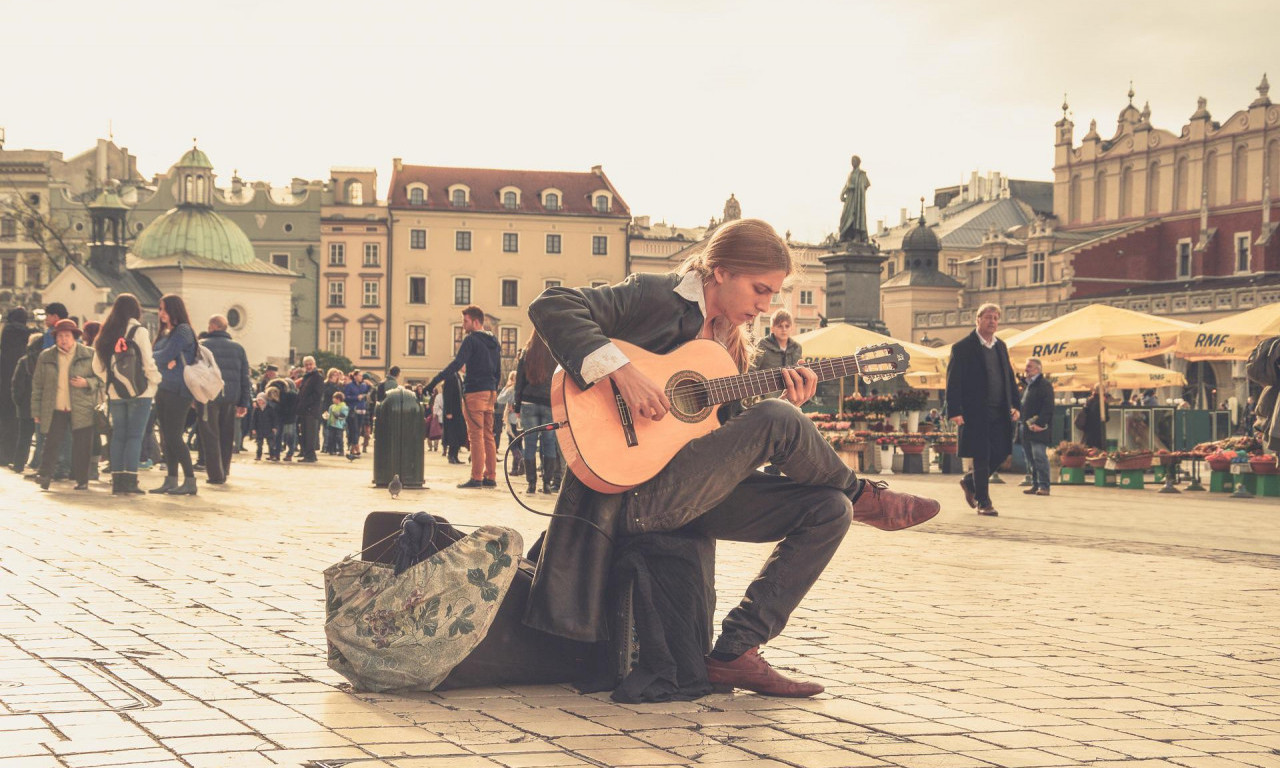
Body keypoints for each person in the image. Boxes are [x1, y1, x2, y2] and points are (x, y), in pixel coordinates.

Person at [527, 218, 940, 697]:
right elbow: (552, 305)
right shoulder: (655, 296)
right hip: (632, 495)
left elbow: (722, 439)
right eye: (760, 289)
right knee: (776, 420)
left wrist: (787, 410)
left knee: (829, 509)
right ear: (719, 272)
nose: (766, 305)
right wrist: (624, 373)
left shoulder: (731, 346)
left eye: (773, 295)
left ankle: (736, 652)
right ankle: (867, 495)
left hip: (689, 493)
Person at [946, 303, 1019, 517]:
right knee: (981, 455)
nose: (992, 321)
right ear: (977, 319)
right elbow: (953, 382)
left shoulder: (1000, 347)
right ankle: (983, 502)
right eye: (988, 317)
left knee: (1002, 451)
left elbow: (1009, 378)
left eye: (996, 318)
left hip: (1000, 410)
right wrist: (955, 411)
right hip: (974, 412)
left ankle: (969, 481)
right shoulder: (963, 348)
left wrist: (1016, 405)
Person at [92, 293, 162, 495]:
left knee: (118, 436)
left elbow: (96, 366)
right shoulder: (138, 331)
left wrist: (112, 379)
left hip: (115, 393)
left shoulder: (106, 332)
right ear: (136, 310)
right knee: (134, 437)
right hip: (140, 392)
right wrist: (155, 381)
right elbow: (148, 362)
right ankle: (130, 480)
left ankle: (117, 481)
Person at [426, 305, 502, 489]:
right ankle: (490, 476)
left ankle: (476, 477)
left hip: (475, 391)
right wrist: (494, 388)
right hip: (490, 391)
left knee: (475, 436)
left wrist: (434, 381)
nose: (463, 325)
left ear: (476, 322)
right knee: (488, 436)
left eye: (465, 321)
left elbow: (457, 363)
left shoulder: (471, 340)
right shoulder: (494, 341)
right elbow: (498, 370)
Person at [31, 319, 102, 490]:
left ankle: (82, 480)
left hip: (81, 406)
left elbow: (101, 380)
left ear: (75, 337)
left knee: (82, 444)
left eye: (67, 336)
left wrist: (86, 382)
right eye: (60, 336)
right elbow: (37, 385)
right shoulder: (46, 356)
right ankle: (45, 475)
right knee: (51, 443)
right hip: (55, 406)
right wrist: (36, 411)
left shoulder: (89, 354)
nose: (63, 339)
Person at [150, 294, 199, 495]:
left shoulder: (184, 331)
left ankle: (190, 480)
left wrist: (157, 359)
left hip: (179, 391)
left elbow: (164, 355)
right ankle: (171, 479)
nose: (161, 313)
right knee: (166, 437)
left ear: (173, 310)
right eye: (160, 309)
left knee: (174, 436)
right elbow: (160, 356)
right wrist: (161, 360)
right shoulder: (166, 333)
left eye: (164, 309)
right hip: (163, 388)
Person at [196, 315, 251, 484]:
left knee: (211, 434)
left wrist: (194, 396)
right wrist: (244, 402)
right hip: (231, 397)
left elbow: (195, 373)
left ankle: (215, 474)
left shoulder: (202, 347)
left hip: (208, 396)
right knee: (227, 435)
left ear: (212, 326)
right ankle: (224, 469)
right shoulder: (238, 348)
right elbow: (245, 377)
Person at [753, 310, 803, 475]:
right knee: (772, 440)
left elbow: (799, 372)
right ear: (772, 328)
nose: (784, 329)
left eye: (787, 326)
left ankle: (782, 475)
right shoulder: (762, 345)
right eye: (780, 326)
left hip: (791, 400)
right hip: (766, 401)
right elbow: (752, 371)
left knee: (788, 439)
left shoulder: (796, 348)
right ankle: (770, 475)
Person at [513, 333, 557, 494]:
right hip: (549, 403)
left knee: (530, 444)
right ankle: (546, 484)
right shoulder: (554, 350)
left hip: (528, 402)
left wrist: (517, 407)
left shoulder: (526, 352)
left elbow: (519, 382)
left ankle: (531, 483)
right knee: (549, 444)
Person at [1019, 357, 1054, 497]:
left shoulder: (1044, 385)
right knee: (1030, 459)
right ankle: (1035, 484)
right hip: (1026, 427)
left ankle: (1044, 486)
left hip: (1039, 429)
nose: (1026, 369)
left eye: (1029, 367)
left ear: (1037, 369)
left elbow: (1048, 407)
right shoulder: (1029, 385)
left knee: (1039, 456)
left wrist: (1039, 424)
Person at [0, 307, 31, 467]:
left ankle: (2, 456)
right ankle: (13, 456)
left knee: (4, 422)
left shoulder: (5, 335)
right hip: (21, 387)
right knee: (17, 423)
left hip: (3, 385)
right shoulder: (26, 336)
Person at [9, 332, 42, 473]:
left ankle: (19, 465)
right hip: (42, 405)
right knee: (42, 438)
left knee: (24, 437)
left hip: (26, 406)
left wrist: (18, 402)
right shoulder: (47, 359)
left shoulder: (24, 361)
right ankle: (39, 464)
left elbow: (17, 384)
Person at [837, 155, 871, 243]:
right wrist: (842, 193)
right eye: (852, 161)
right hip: (849, 198)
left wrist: (855, 187)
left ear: (858, 162)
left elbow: (866, 184)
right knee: (845, 216)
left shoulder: (862, 174)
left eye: (854, 161)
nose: (852, 162)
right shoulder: (850, 174)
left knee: (856, 216)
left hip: (857, 199)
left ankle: (857, 235)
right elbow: (847, 185)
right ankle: (847, 235)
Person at [343, 370, 370, 458]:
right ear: (355, 376)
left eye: (362, 376)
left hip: (362, 410)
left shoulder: (363, 386)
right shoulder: (349, 386)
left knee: (358, 430)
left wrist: (370, 384)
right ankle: (356, 447)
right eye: (359, 375)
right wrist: (356, 397)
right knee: (354, 429)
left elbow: (371, 390)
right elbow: (345, 397)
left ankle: (352, 448)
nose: (361, 377)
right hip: (353, 410)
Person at [250, 391, 280, 460]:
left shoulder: (270, 408)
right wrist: (253, 428)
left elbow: (274, 419)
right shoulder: (257, 409)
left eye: (261, 400)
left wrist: (274, 427)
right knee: (259, 444)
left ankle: (272, 455)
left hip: (269, 429)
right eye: (258, 400)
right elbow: (254, 420)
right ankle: (258, 455)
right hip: (259, 429)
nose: (260, 402)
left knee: (271, 444)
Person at [1080, 385, 1107, 450]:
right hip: (1099, 431)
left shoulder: (1089, 401)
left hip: (1088, 430)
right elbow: (1107, 417)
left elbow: (1085, 413)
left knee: (1087, 450)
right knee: (1099, 451)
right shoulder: (1103, 403)